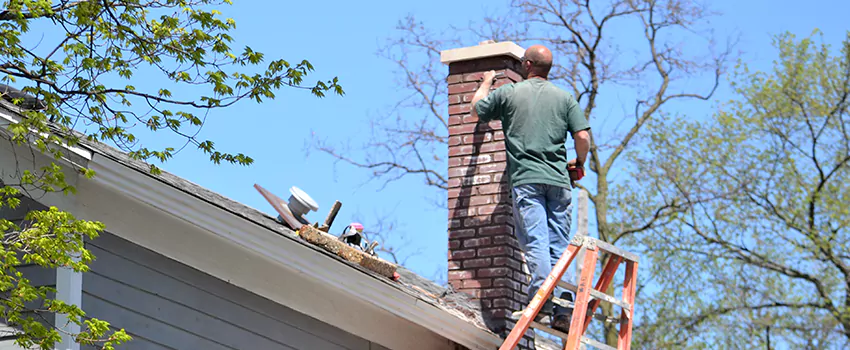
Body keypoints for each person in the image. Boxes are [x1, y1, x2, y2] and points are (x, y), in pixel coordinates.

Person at [470, 44, 591, 333]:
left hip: (527, 179)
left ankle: (541, 304)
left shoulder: (511, 93)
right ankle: (563, 306)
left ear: (526, 65)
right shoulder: (564, 98)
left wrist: (486, 81)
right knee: (560, 244)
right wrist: (579, 163)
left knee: (536, 242)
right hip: (560, 181)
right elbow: (582, 136)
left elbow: (478, 109)